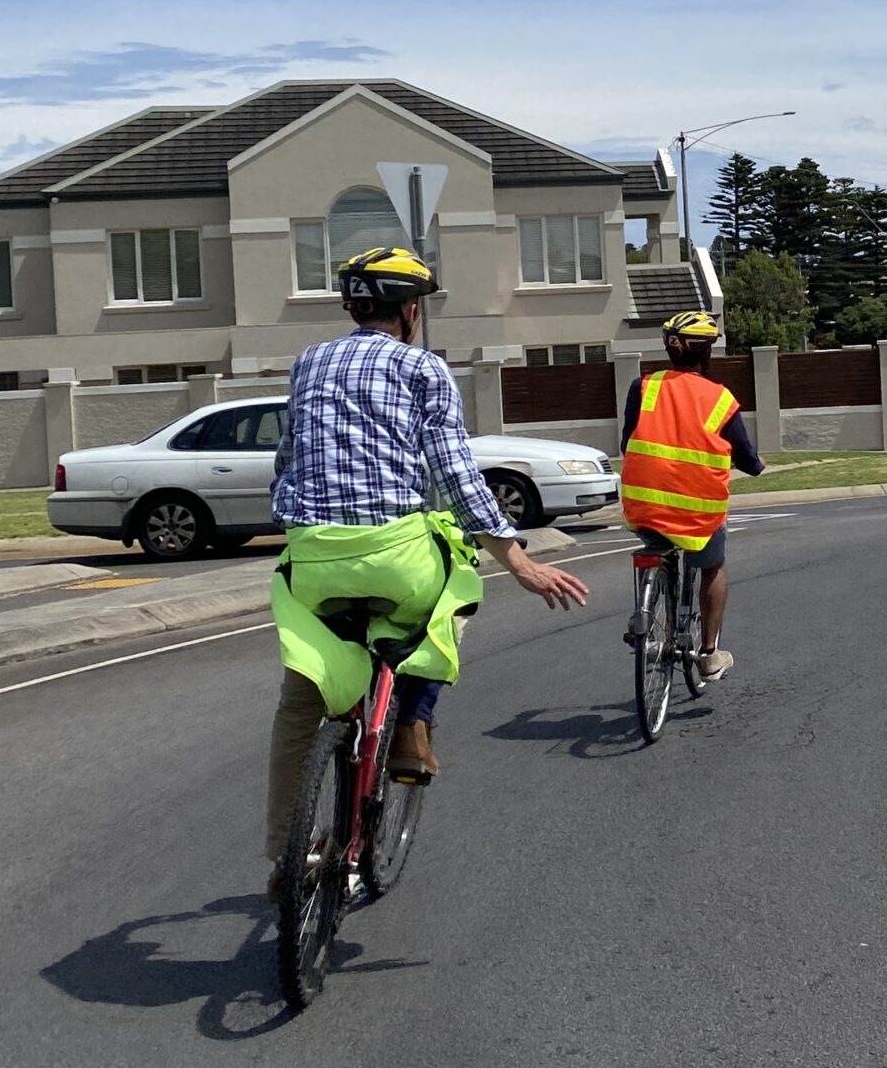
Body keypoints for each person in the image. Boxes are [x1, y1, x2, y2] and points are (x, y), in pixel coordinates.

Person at [262, 246, 588, 894]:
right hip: (395, 559)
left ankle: (284, 854)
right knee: (456, 585)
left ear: (354, 306)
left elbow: (287, 462)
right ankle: (413, 717)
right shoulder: (424, 369)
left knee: (301, 699)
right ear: (410, 311)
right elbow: (457, 475)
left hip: (314, 561)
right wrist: (517, 559)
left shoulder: (308, 364)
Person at [621, 308, 766, 681]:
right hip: (698, 513)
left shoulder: (643, 387)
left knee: (655, 551)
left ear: (670, 350)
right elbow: (745, 456)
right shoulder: (719, 399)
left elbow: (627, 443)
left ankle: (645, 611)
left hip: (644, 504)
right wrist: (757, 465)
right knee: (712, 567)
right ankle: (710, 652)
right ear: (707, 352)